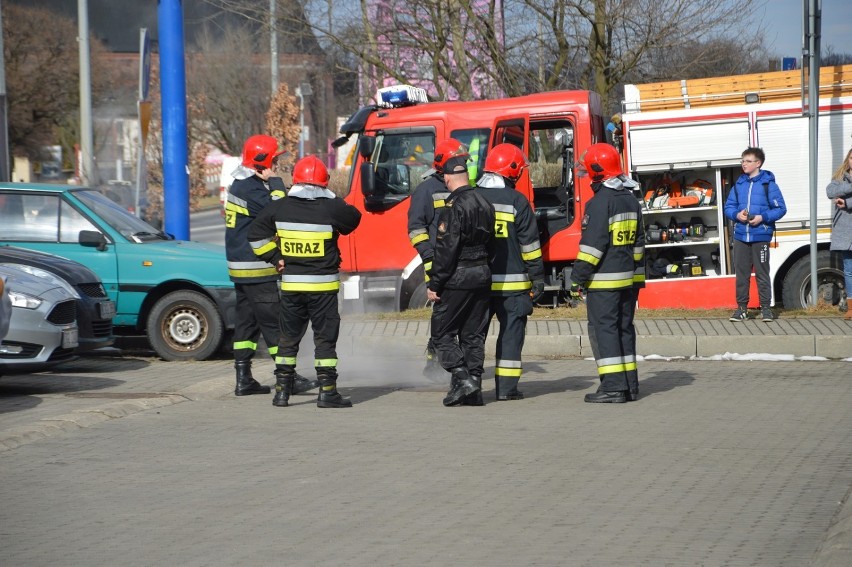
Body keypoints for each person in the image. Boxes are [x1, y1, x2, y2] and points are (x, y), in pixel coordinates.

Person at [248, 155, 361, 408]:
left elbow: (255, 236)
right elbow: (354, 218)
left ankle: (281, 393)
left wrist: (275, 257)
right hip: (323, 289)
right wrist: (331, 196)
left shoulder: (280, 207)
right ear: (324, 182)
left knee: (288, 340)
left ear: (295, 181)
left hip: (292, 288)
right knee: (324, 341)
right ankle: (328, 393)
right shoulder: (331, 207)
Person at [225, 134, 317, 396]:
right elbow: (279, 211)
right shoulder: (251, 189)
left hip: (242, 269)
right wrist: (277, 185)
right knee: (276, 326)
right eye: (274, 161)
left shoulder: (241, 184)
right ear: (260, 163)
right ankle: (287, 378)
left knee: (246, 326)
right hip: (256, 269)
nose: (277, 165)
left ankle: (243, 379)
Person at [570, 143, 645, 403]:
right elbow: (638, 243)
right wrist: (635, 279)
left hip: (603, 282)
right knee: (624, 329)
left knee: (604, 331)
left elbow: (592, 247)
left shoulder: (599, 203)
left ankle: (613, 387)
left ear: (597, 171)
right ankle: (629, 385)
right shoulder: (630, 200)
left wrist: (577, 278)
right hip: (626, 280)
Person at [476, 143, 545, 401]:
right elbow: (530, 246)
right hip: (513, 287)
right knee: (511, 335)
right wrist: (537, 277)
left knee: (473, 337)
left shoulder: (470, 197)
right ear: (512, 170)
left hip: (477, 285)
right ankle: (506, 390)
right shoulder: (518, 201)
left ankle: (470, 385)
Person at [426, 154, 495, 406]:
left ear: (446, 178)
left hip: (458, 276)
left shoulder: (452, 207)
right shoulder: (485, 203)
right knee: (473, 335)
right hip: (482, 275)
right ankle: (473, 390)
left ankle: (462, 377)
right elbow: (493, 244)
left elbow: (446, 251)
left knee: (442, 334)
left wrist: (435, 284)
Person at [407, 138, 469, 379]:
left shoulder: (465, 186)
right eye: (459, 160)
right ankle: (434, 362)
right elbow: (415, 228)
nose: (462, 165)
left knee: (462, 315)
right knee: (441, 314)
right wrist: (430, 258)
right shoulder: (425, 190)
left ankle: (456, 362)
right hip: (438, 264)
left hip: (463, 263)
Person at [724, 147, 787, 322]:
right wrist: (737, 215)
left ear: (758, 163)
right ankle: (742, 309)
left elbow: (781, 209)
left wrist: (762, 217)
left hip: (761, 235)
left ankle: (766, 309)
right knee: (742, 274)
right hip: (741, 236)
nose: (744, 164)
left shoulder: (769, 184)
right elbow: (728, 207)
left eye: (748, 161)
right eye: (742, 161)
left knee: (762, 273)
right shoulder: (739, 184)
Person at [826, 147, 852, 320]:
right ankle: (851, 308)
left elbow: (845, 199)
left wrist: (848, 202)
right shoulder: (839, 179)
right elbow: (830, 192)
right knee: (849, 271)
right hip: (846, 233)